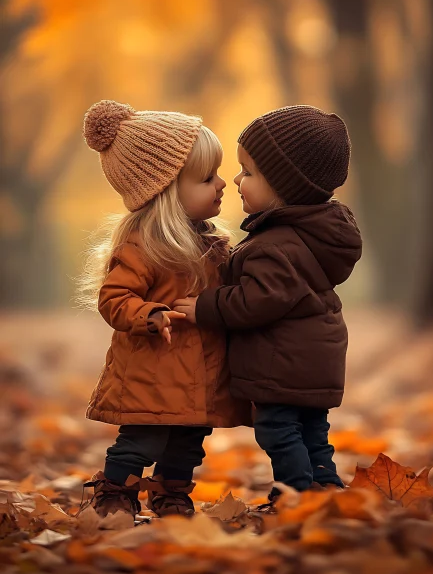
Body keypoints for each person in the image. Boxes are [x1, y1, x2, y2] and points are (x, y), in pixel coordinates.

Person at [174, 105, 362, 504]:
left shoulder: (276, 246)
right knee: (313, 432)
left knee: (278, 430)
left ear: (284, 186)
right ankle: (326, 491)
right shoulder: (310, 235)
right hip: (312, 360)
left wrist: (205, 306)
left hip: (284, 363)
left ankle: (295, 494)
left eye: (248, 172)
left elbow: (256, 301)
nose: (236, 180)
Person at [77, 100, 251, 522]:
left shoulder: (213, 245)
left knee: (188, 444)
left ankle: (171, 495)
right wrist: (149, 315)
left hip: (200, 375)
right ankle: (114, 493)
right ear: (166, 192)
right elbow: (114, 298)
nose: (222, 184)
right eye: (206, 178)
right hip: (152, 375)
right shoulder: (144, 246)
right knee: (142, 442)